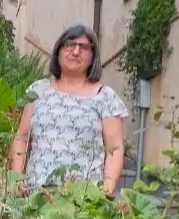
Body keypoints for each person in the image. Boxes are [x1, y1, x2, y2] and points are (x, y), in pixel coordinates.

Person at [11, 24, 130, 195]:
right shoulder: (38, 90)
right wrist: (17, 179)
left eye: (84, 47)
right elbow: (22, 137)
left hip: (82, 201)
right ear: (58, 51)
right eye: (69, 44)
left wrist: (107, 188)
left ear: (92, 57)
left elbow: (115, 148)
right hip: (35, 198)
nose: (75, 52)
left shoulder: (106, 97)